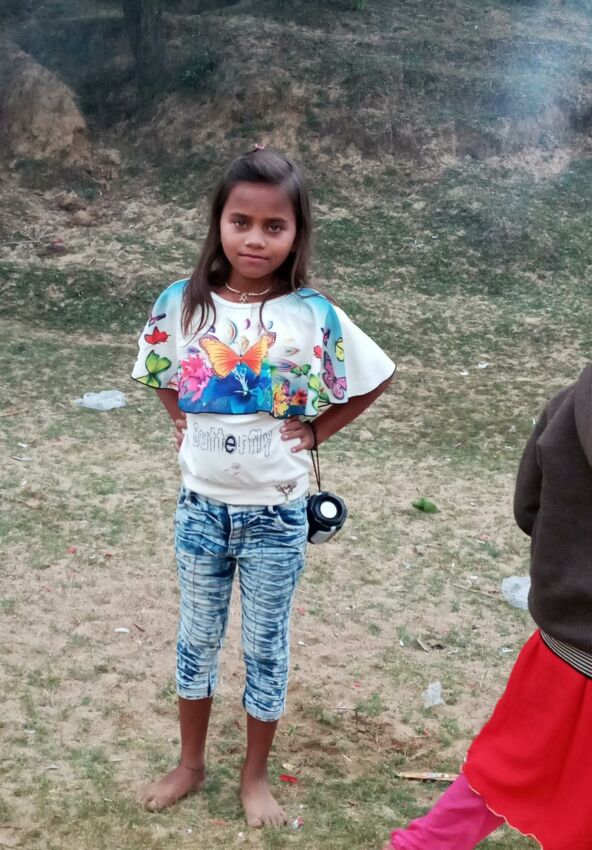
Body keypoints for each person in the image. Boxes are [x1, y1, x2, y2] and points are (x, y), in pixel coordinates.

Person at [131, 147, 396, 827]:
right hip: (200, 511)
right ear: (218, 223)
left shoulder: (313, 314)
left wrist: (317, 432)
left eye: (273, 226)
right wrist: (180, 420)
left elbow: (376, 375)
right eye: (240, 221)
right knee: (196, 640)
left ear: (296, 233)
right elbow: (159, 370)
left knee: (265, 648)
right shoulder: (181, 303)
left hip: (276, 517)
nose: (255, 238)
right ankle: (191, 765)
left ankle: (255, 777)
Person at [384, 363, 592, 850]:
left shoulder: (572, 403)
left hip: (563, 641)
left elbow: (528, 507)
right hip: (567, 644)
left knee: (501, 769)